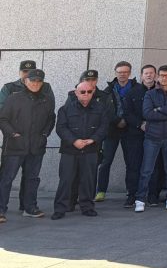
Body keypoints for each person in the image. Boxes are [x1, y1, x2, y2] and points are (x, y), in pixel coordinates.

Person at [0, 68, 55, 222]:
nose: (35, 84)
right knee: (6, 178)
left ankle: (29, 207)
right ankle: (1, 210)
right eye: (32, 80)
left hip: (36, 147)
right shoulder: (13, 98)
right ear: (25, 81)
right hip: (14, 146)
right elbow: (3, 119)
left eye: (39, 81)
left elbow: (51, 119)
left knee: (32, 178)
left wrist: (44, 134)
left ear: (42, 83)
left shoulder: (47, 100)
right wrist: (13, 134)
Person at [53, 80, 109, 219]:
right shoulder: (65, 109)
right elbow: (61, 128)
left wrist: (93, 139)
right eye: (82, 91)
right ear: (76, 92)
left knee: (88, 180)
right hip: (69, 150)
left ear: (93, 92)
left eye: (89, 92)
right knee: (66, 180)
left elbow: (104, 127)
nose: (86, 94)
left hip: (90, 150)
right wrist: (74, 141)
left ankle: (87, 207)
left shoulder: (101, 108)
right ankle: (60, 209)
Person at [134, 65, 167, 212]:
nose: (164, 78)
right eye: (162, 75)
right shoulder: (150, 94)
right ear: (157, 76)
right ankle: (140, 199)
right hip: (152, 137)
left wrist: (161, 109)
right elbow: (148, 114)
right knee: (146, 170)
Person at [95, 61, 144, 204]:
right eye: (120, 72)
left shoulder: (138, 89)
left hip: (131, 131)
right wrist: (117, 120)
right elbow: (104, 111)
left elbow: (140, 110)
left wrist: (129, 121)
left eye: (125, 72)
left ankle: (131, 192)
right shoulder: (108, 90)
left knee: (132, 163)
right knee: (105, 162)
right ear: (115, 73)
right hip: (112, 130)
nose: (122, 74)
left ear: (129, 73)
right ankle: (101, 191)